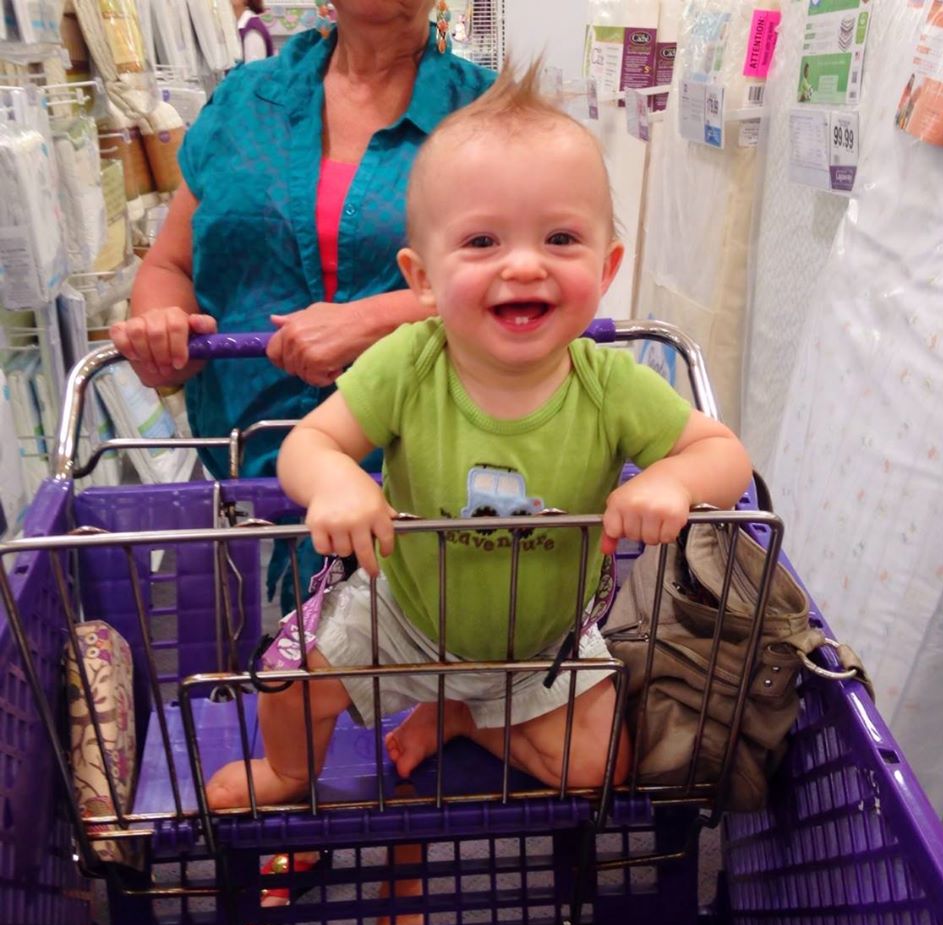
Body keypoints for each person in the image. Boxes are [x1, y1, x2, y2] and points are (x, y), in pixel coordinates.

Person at [204, 62, 753, 813]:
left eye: (560, 238)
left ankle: (462, 714)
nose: (522, 263)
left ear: (606, 266)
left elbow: (721, 453)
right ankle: (288, 776)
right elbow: (310, 442)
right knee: (288, 685)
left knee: (600, 769)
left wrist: (672, 480)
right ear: (421, 277)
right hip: (400, 613)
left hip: (544, 641)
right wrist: (338, 481)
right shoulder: (408, 359)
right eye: (482, 241)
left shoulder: (610, 383)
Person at [108, 1, 495, 920]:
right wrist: (159, 313)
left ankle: (405, 858)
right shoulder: (243, 102)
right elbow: (169, 262)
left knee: (417, 644)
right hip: (255, 451)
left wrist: (373, 320)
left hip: (423, 443)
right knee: (296, 645)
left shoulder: (483, 115)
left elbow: (524, 274)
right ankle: (306, 821)